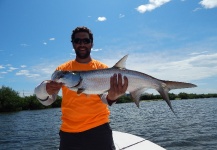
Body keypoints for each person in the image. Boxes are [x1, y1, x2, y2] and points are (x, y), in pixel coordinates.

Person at [34, 26, 128, 150]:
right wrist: (44, 89)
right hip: (69, 133)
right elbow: (48, 100)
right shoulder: (62, 71)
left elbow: (104, 98)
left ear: (91, 43)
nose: (82, 44)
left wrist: (113, 96)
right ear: (73, 44)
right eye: (77, 41)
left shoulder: (103, 69)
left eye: (86, 41)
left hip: (99, 129)